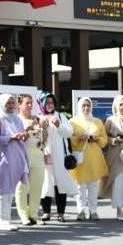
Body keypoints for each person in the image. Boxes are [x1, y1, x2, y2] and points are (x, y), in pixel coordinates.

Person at [37, 92, 78, 222]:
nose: (50, 105)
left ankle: (61, 213)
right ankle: (46, 212)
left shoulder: (60, 116)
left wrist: (59, 125)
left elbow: (69, 132)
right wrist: (41, 128)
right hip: (45, 154)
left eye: (52, 103)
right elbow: (35, 138)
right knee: (46, 183)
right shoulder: (38, 117)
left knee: (60, 183)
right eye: (47, 102)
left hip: (60, 155)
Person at [0, 94, 29, 231]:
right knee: (2, 189)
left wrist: (24, 135)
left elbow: (21, 133)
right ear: (2, 104)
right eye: (8, 103)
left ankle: (8, 219)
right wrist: (11, 137)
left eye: (13, 103)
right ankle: (3, 220)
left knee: (10, 190)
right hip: (2, 158)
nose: (11, 106)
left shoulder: (17, 119)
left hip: (16, 157)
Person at [69, 97, 108, 220]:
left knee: (93, 186)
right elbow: (68, 140)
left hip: (94, 158)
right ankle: (81, 211)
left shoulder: (97, 122)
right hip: (80, 158)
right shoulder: (73, 122)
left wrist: (96, 138)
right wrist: (78, 139)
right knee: (80, 186)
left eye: (88, 106)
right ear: (79, 107)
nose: (86, 108)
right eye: (83, 106)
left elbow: (104, 140)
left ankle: (93, 211)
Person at [15, 93, 45, 226]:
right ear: (19, 105)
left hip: (38, 155)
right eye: (26, 103)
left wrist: (45, 128)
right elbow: (18, 139)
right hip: (23, 155)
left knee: (37, 186)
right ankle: (23, 215)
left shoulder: (37, 118)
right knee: (22, 186)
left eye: (31, 103)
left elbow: (44, 139)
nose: (29, 105)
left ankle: (33, 214)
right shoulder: (16, 120)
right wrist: (28, 128)